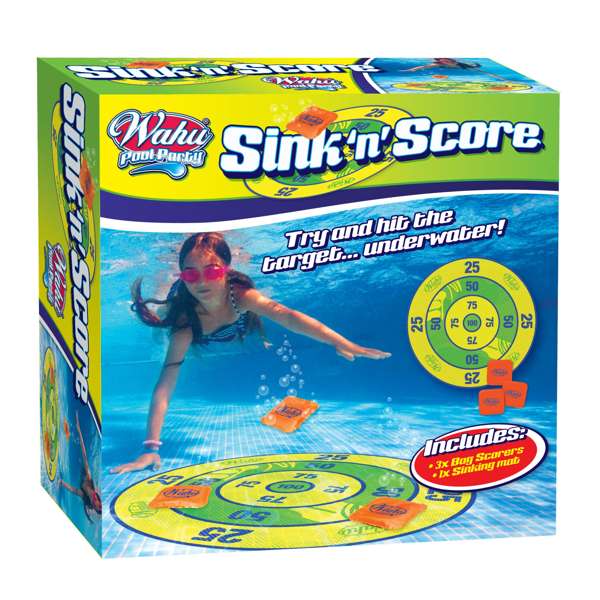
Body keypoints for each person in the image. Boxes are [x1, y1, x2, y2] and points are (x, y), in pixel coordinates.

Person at [112, 232, 391, 474]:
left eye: (212, 271)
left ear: (227, 269)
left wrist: (340, 342)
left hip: (234, 322)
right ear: (183, 276)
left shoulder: (242, 296)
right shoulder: (185, 324)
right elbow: (165, 386)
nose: (201, 281)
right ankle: (168, 294)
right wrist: (150, 448)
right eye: (190, 274)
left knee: (250, 325)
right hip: (187, 313)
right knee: (162, 328)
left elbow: (288, 316)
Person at [59, 412, 101, 519]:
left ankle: (89, 515)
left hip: (83, 487)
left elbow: (72, 489)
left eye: (96, 504)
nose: (96, 500)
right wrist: (78, 429)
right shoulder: (89, 478)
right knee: (82, 462)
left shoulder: (84, 496)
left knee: (87, 509)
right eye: (98, 502)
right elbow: (84, 454)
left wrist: (61, 482)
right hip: (84, 475)